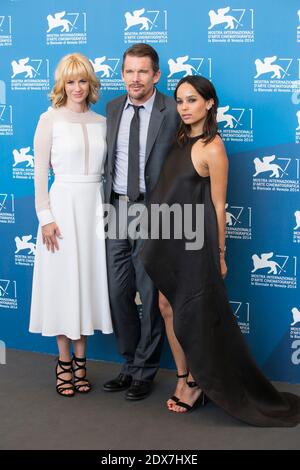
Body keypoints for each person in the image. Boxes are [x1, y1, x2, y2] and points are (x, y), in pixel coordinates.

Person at [141, 75, 300, 426]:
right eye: (180, 101)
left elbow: (218, 206)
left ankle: (197, 383)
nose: (184, 107)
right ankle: (183, 377)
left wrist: (221, 254)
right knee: (166, 306)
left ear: (209, 103)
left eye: (192, 100)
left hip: (197, 246)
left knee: (193, 315)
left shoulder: (213, 147)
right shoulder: (180, 139)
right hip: (171, 238)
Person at [29, 53, 113, 397]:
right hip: (61, 209)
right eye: (70, 81)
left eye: (82, 81)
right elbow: (38, 174)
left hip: (94, 208)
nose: (76, 88)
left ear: (90, 84)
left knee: (88, 284)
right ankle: (64, 362)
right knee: (64, 285)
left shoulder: (102, 122)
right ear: (61, 84)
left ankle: (82, 362)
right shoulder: (49, 119)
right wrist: (45, 217)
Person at [102, 44, 179, 400]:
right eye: (129, 71)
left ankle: (145, 372)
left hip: (153, 211)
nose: (135, 78)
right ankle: (130, 364)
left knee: (149, 297)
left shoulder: (172, 111)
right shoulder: (113, 107)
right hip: (116, 209)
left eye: (142, 72)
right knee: (119, 293)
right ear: (122, 74)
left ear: (156, 75)